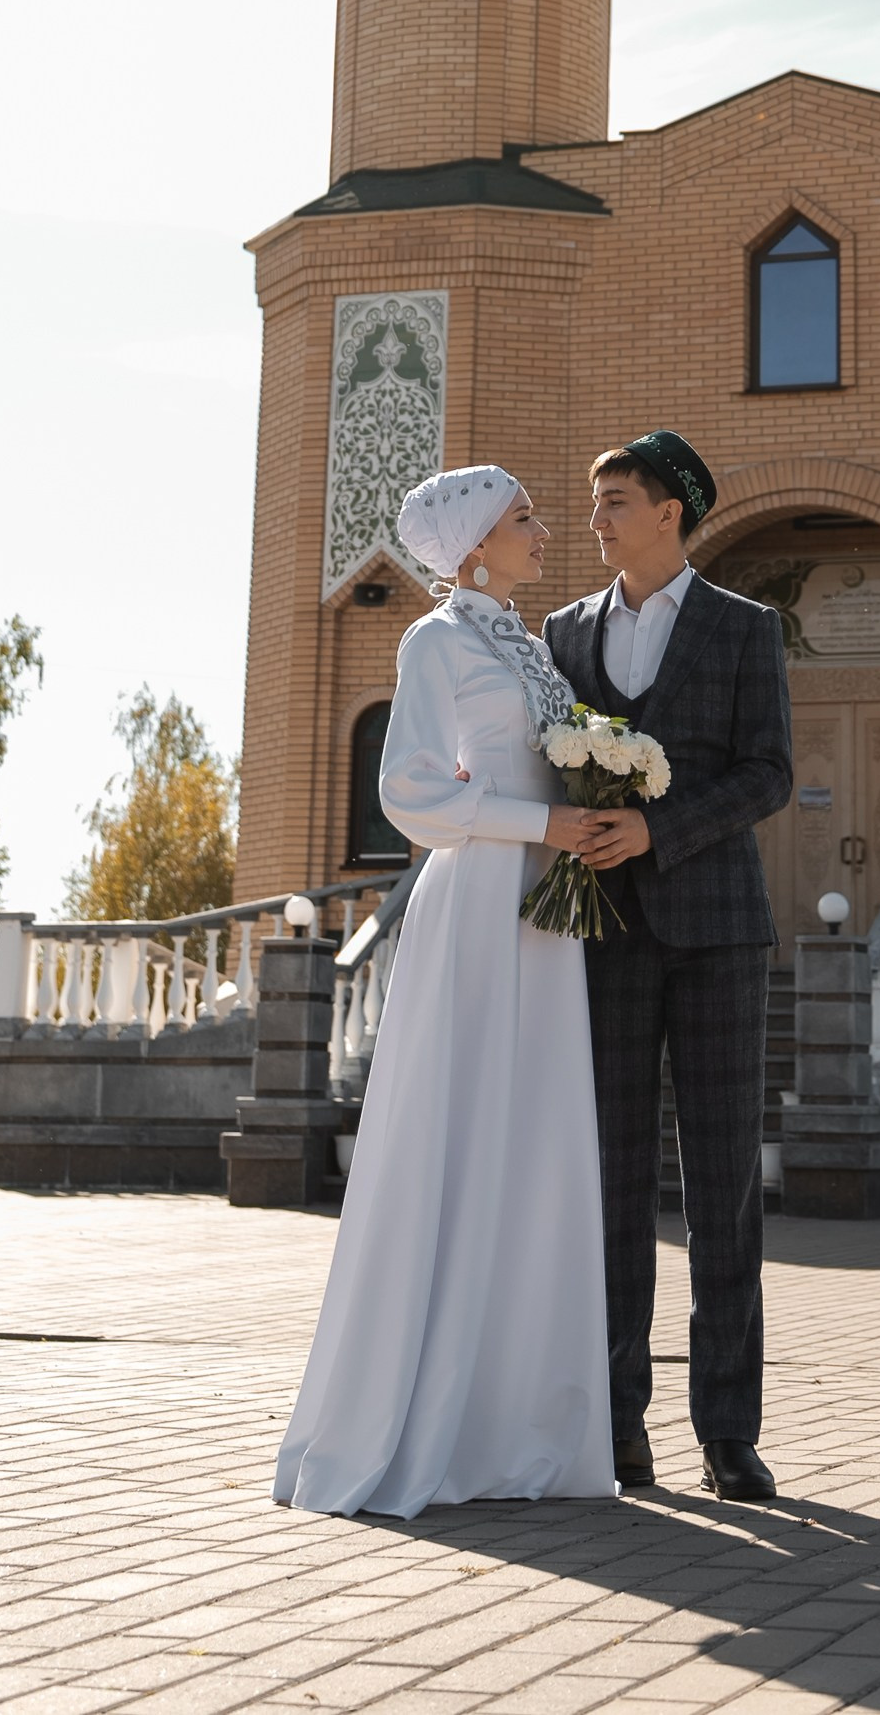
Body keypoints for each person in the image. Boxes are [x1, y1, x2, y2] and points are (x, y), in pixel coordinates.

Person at [273, 465, 617, 1517]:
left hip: (543, 910)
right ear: (472, 546)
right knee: (462, 1133)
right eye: (524, 519)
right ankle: (426, 1426)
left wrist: (591, 800)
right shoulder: (434, 641)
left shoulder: (529, 644)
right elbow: (411, 792)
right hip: (476, 905)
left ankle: (516, 1426)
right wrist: (540, 822)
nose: (545, 531)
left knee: (536, 1146)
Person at [544, 429, 793, 1504]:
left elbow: (768, 773)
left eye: (614, 500)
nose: (595, 518)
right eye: (594, 500)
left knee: (722, 1186)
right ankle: (615, 1424)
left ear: (668, 512)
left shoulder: (744, 627)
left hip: (718, 931)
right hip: (600, 930)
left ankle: (728, 1432)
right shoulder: (562, 632)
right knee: (610, 1183)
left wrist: (659, 828)